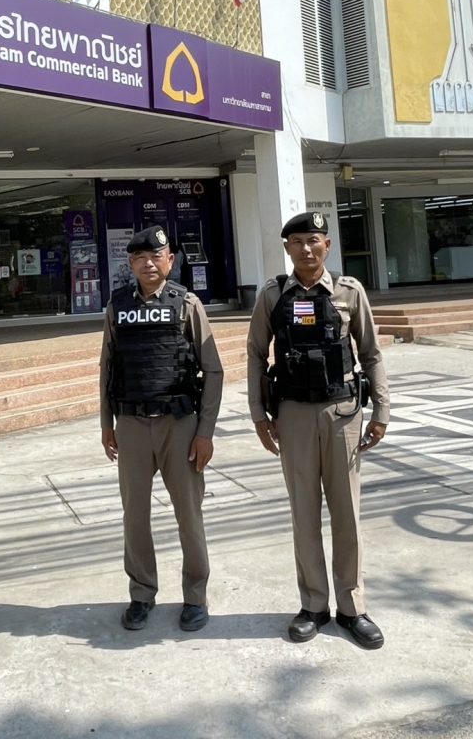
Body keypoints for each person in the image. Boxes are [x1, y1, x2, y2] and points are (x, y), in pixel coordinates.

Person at [246, 211, 390, 649]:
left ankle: (352, 608)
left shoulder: (349, 291)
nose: (306, 249)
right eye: (297, 242)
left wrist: (381, 410)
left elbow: (371, 352)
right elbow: (256, 354)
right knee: (304, 513)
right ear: (287, 248)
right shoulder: (272, 295)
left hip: (342, 413)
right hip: (292, 415)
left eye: (314, 240)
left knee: (347, 514)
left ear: (327, 245)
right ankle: (313, 605)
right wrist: (258, 415)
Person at [100, 224, 224, 632]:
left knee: (189, 514)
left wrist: (205, 432)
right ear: (130, 264)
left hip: (179, 425)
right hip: (131, 423)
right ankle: (141, 594)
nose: (149, 264)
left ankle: (195, 597)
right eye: (140, 258)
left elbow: (213, 370)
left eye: (156, 256)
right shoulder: (117, 306)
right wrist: (106, 424)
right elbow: (107, 368)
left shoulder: (187, 304)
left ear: (170, 260)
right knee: (134, 516)